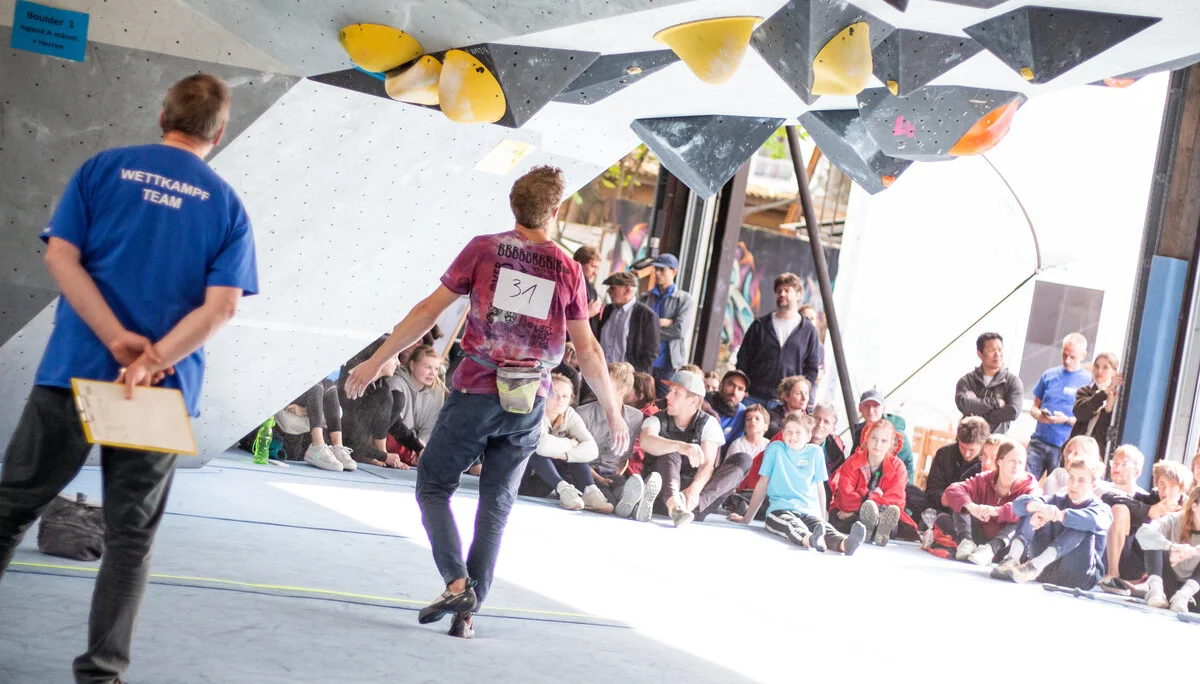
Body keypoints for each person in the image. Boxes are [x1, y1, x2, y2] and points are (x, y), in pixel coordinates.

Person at [0, 74, 258, 683]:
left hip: (74, 370)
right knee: (129, 538)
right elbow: (221, 308)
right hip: (158, 392)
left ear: (162, 113)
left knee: (11, 511)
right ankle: (101, 672)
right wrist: (149, 358)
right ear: (219, 134)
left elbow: (60, 256)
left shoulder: (102, 170)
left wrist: (114, 338)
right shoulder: (226, 206)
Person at [345, 166, 629, 640]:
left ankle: (456, 582)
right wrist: (615, 411)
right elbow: (589, 351)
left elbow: (427, 311)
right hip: (529, 401)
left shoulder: (484, 249)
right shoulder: (567, 267)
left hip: (477, 390)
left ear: (513, 206)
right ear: (555, 212)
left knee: (434, 486)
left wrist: (378, 360)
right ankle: (467, 614)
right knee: (496, 504)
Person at [730, 414, 867, 555]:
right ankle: (810, 540)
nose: (792, 436)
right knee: (790, 525)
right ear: (782, 434)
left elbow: (820, 488)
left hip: (808, 511)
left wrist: (821, 517)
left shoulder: (815, 452)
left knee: (825, 529)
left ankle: (845, 544)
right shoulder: (775, 449)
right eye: (788, 431)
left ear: (808, 436)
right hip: (780, 510)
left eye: (798, 432)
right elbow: (762, 484)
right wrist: (747, 518)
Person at [637, 370, 751, 526]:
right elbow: (646, 441)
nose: (668, 397)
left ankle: (686, 508)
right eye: (670, 391)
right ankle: (674, 506)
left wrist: (694, 490)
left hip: (694, 497)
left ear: (692, 401)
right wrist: (680, 446)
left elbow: (707, 465)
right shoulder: (657, 419)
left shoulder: (708, 423)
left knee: (743, 459)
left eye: (676, 393)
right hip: (661, 492)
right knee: (670, 449)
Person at [991, 456, 1111, 588]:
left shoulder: (1102, 509)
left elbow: (1094, 520)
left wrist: (1058, 515)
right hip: (1045, 573)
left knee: (1082, 523)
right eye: (1071, 478)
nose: (1074, 484)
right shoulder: (1057, 499)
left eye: (1081, 480)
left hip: (1079, 576)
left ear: (1093, 485)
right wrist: (1041, 509)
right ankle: (1011, 559)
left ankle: (1035, 565)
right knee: (1033, 507)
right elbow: (1018, 504)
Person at [1096, 454, 1189, 595]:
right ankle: (1112, 575)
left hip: (1170, 568)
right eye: (1162, 484)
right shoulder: (1148, 500)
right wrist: (1149, 511)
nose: (1165, 491)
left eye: (1172, 486)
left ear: (1181, 489)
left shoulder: (1190, 509)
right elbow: (1107, 497)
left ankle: (1151, 587)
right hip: (1133, 562)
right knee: (1119, 509)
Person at [939, 441, 1039, 565]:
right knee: (961, 502)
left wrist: (996, 511)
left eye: (1021, 462)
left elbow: (1029, 506)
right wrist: (972, 507)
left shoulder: (1030, 485)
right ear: (999, 461)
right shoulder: (985, 478)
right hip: (980, 533)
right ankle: (966, 542)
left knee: (1024, 518)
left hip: (1005, 544)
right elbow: (953, 490)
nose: (1017, 466)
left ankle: (991, 549)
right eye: (1012, 461)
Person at [525, 373, 612, 513]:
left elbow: (592, 450)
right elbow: (541, 446)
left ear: (571, 399)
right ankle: (564, 489)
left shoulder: (569, 414)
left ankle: (589, 491)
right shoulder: (535, 411)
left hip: (545, 483)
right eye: (554, 394)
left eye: (565, 396)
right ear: (543, 394)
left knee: (576, 456)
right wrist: (569, 443)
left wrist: (563, 455)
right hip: (522, 482)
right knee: (533, 449)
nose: (559, 400)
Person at [735, 273, 821, 407]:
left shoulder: (809, 331)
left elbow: (811, 369)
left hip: (786, 403)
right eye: (779, 291)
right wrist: (742, 386)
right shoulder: (760, 325)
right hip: (753, 397)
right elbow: (743, 358)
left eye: (787, 290)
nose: (782, 294)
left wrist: (800, 395)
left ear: (798, 295)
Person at [576, 362, 645, 509]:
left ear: (621, 392)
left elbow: (623, 458)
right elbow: (576, 458)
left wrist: (611, 477)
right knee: (608, 499)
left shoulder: (635, 417)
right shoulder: (583, 413)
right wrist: (599, 478)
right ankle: (621, 503)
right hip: (584, 472)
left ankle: (633, 504)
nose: (598, 388)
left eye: (605, 385)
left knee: (621, 487)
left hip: (611, 475)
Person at [830, 420, 910, 546]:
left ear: (891, 444)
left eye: (884, 441)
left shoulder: (898, 467)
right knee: (842, 518)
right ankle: (870, 528)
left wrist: (871, 503)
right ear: (866, 438)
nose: (878, 444)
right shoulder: (852, 463)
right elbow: (846, 496)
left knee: (891, 520)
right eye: (874, 438)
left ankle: (876, 528)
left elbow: (896, 500)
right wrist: (868, 505)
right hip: (852, 510)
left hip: (881, 511)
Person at [1026, 333, 1093, 479]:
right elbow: (1034, 407)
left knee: (1056, 488)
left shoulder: (1088, 381)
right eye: (1064, 355)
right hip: (1039, 441)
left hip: (1064, 447)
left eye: (1072, 357)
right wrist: (1040, 415)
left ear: (1083, 355)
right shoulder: (1049, 375)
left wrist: (1066, 420)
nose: (1067, 360)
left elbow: (1088, 421)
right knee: (1025, 483)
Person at [909, 416, 990, 524]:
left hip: (968, 513)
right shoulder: (944, 453)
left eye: (971, 450)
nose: (966, 453)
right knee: (908, 490)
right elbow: (932, 488)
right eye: (963, 447)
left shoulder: (987, 462)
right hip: (940, 505)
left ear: (982, 445)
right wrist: (943, 499)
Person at [1136, 485, 1200, 612]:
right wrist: (1171, 546)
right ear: (1194, 506)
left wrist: (1192, 551)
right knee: (1154, 541)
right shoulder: (1174, 520)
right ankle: (1155, 591)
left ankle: (1182, 596)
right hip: (1168, 585)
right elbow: (1142, 532)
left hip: (1193, 594)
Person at [640, 253, 694, 397]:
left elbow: (679, 330)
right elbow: (638, 328)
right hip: (644, 360)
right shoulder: (645, 297)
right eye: (656, 269)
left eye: (662, 270)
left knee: (664, 402)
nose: (657, 273)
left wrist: (652, 331)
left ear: (674, 272)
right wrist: (665, 323)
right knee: (639, 399)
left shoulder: (684, 299)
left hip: (667, 363)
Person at [386, 344, 447, 465]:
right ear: (412, 365)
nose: (432, 373)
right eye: (428, 367)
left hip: (417, 443)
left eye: (436, 369)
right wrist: (416, 446)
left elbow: (430, 427)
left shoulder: (438, 392)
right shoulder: (396, 383)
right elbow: (395, 424)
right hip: (398, 436)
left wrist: (421, 445)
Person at [954, 332, 1023, 434]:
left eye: (1000, 350)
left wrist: (976, 414)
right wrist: (996, 403)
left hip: (995, 443)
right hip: (967, 441)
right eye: (991, 350)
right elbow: (963, 404)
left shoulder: (1012, 381)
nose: (997, 354)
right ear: (980, 354)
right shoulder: (967, 380)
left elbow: (1013, 411)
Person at [593, 271, 659, 374]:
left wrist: (632, 374)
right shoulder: (608, 310)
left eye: (613, 288)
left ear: (627, 290)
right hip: (600, 371)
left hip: (625, 378)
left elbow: (651, 352)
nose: (608, 291)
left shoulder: (646, 316)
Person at [851, 389, 914, 483]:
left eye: (876, 405)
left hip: (896, 485)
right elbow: (853, 460)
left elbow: (895, 470)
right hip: (869, 482)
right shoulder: (861, 430)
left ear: (883, 408)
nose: (871, 410)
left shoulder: (896, 435)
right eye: (866, 405)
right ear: (860, 408)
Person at [1069, 351, 1123, 459]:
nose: (1099, 371)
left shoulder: (1118, 397)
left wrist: (1107, 411)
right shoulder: (1085, 391)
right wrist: (1104, 393)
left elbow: (1110, 431)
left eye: (1105, 367)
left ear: (1114, 372)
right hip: (1076, 452)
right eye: (1097, 366)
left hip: (1099, 456)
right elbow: (1080, 413)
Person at [811, 403, 847, 495]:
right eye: (817, 418)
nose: (820, 424)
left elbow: (833, 484)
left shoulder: (837, 450)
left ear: (833, 429)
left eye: (826, 422)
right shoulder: (794, 437)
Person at [708, 369, 750, 444]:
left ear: (744, 395)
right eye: (731, 385)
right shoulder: (703, 401)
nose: (734, 392)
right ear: (720, 386)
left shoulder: (742, 412)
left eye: (740, 389)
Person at [572, 244, 604, 319]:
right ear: (579, 264)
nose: (595, 273)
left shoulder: (590, 287)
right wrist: (586, 314)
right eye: (593, 266)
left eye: (597, 268)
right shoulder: (568, 284)